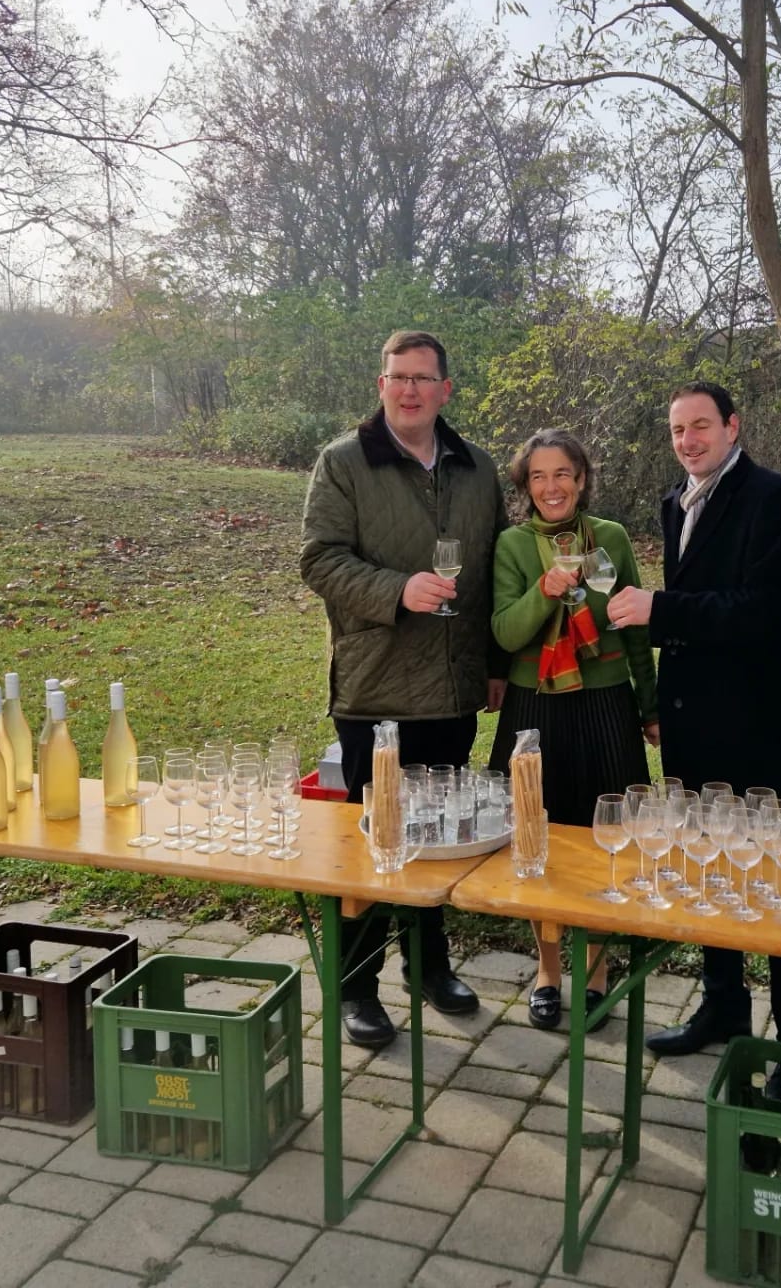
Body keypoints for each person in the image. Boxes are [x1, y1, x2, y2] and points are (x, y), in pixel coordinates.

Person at [607, 381, 781, 1099]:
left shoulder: (774, 498)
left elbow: (762, 614)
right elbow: (696, 609)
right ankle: (724, 1006)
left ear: (733, 426)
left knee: (775, 882)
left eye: (700, 426)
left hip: (751, 724)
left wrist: (659, 609)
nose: (688, 441)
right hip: (690, 721)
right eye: (677, 430)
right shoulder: (677, 501)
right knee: (708, 873)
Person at [299, 329, 508, 1048]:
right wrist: (397, 590)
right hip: (376, 687)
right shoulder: (344, 462)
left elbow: (496, 570)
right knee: (376, 842)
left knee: (439, 836)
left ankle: (430, 967)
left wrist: (496, 663)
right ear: (381, 385)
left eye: (423, 378)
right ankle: (357, 987)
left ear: (445, 389)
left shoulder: (477, 467)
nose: (410, 389)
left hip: (453, 689)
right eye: (398, 377)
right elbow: (318, 560)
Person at [489, 429, 658, 1030]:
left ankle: (596, 969)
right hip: (535, 708)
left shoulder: (610, 538)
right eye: (538, 476)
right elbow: (506, 633)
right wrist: (545, 590)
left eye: (562, 473)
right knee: (537, 838)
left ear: (582, 480)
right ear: (525, 486)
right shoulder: (512, 545)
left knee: (605, 836)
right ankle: (547, 970)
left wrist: (649, 705)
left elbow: (635, 628)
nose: (551, 487)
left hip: (606, 705)